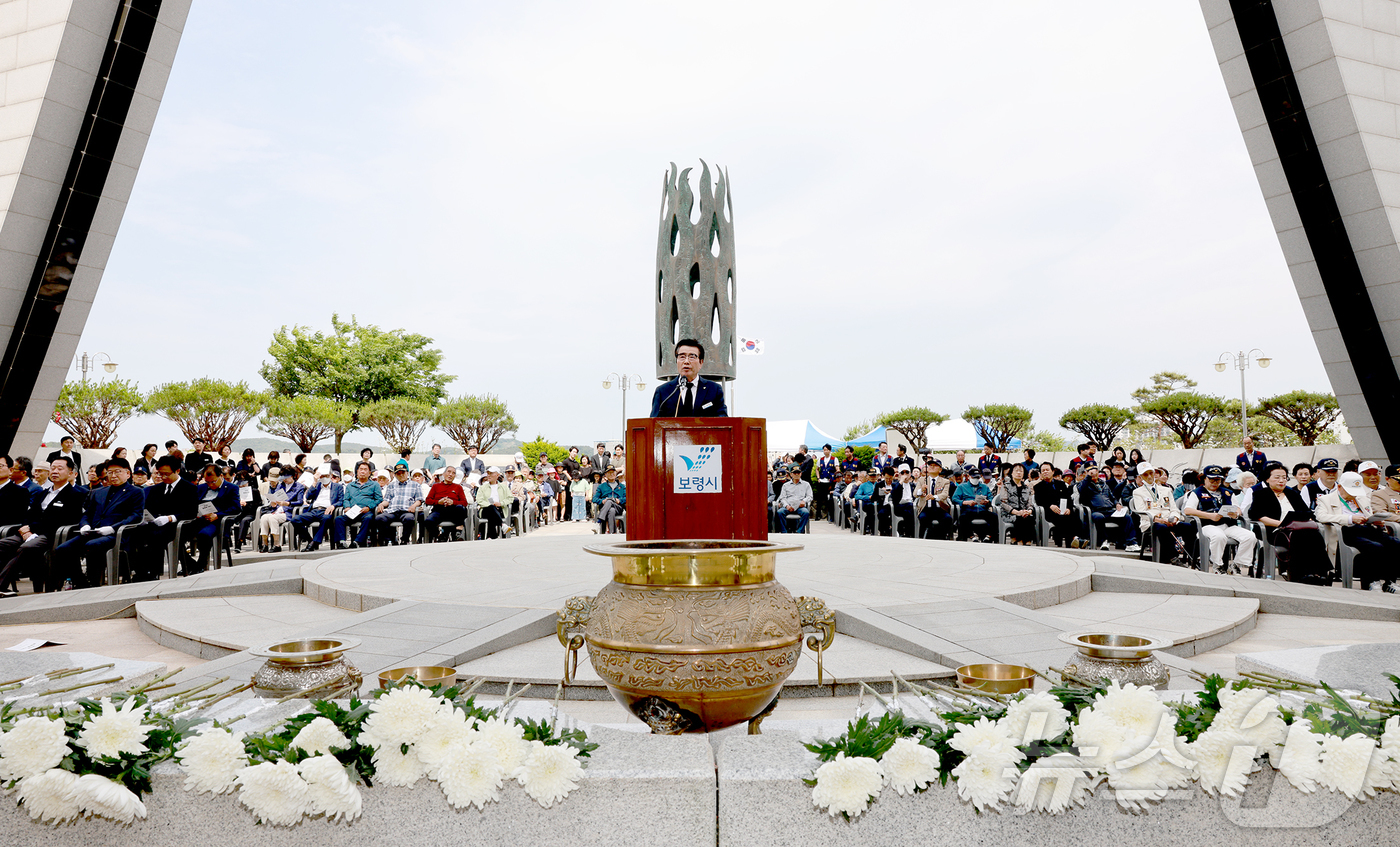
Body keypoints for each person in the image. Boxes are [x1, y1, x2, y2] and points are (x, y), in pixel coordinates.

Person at [53, 458, 144, 589]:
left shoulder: (135, 492)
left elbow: (136, 516)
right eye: (110, 472)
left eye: (117, 472)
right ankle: (82, 582)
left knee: (92, 545)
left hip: (116, 535)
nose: (113, 476)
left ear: (128, 474)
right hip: (93, 532)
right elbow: (87, 513)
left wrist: (112, 528)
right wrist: (84, 525)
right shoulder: (98, 492)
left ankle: (94, 582)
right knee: (63, 549)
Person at [0, 458, 86, 594]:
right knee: (3, 544)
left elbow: (64, 520)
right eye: (53, 468)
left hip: (50, 535)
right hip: (29, 533)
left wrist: (32, 531)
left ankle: (1, 585)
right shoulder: (43, 492)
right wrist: (25, 528)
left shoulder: (76, 495)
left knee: (27, 548)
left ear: (70, 473)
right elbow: (29, 514)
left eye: (60, 468)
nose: (55, 471)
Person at [1316, 471, 1398, 592]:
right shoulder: (1325, 500)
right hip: (1347, 531)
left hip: (1367, 528)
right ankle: (1372, 581)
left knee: (1395, 543)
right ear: (1340, 487)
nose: (1353, 495)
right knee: (1375, 547)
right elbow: (1321, 516)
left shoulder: (1361, 499)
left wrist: (1375, 521)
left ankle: (1390, 581)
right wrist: (1350, 519)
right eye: (1350, 492)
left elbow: (1369, 514)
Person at [1249, 462, 1330, 584]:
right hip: (1274, 531)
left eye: (1284, 477)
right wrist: (1281, 524)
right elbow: (1257, 516)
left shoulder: (1292, 493)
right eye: (1277, 477)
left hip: (1295, 529)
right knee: (1299, 536)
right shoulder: (1261, 494)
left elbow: (1306, 512)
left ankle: (1319, 572)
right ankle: (1299, 574)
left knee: (1315, 534)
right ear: (1267, 479)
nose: (1281, 480)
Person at [1182, 465, 1257, 574]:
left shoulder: (1228, 492)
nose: (1215, 482)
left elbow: (1238, 509)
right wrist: (1209, 515)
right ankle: (1218, 565)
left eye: (1218, 480)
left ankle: (1236, 564)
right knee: (1219, 536)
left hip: (1227, 525)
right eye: (1211, 479)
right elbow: (1188, 510)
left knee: (1250, 536)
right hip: (1206, 526)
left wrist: (1235, 514)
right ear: (1205, 479)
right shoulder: (1197, 492)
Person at [1130, 464, 1197, 564]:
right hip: (1152, 523)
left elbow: (1174, 508)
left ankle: (1193, 558)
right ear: (1140, 477)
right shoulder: (1137, 492)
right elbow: (1142, 512)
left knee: (1189, 527)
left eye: (1151, 473)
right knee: (1162, 528)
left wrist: (1174, 518)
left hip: (1169, 520)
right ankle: (1173, 556)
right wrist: (1159, 520)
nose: (1149, 477)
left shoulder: (1167, 490)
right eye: (1145, 474)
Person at [649, 338, 729, 416]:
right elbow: (654, 424)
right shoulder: (663, 392)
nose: (686, 362)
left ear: (701, 362)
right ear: (676, 361)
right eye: (682, 357)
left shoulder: (714, 390)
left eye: (692, 357)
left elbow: (723, 422)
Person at [333, 461, 383, 548]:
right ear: (357, 472)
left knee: (368, 518)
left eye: (365, 470)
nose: (362, 472)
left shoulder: (374, 485)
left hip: (366, 511)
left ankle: (357, 542)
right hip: (353, 511)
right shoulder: (350, 485)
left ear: (369, 473)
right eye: (361, 469)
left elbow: (378, 499)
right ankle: (341, 542)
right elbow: (346, 499)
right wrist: (347, 507)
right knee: (338, 519)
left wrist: (368, 507)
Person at [1035, 463, 1084, 547]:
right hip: (1048, 512)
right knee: (1062, 519)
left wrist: (1069, 508)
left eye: (1047, 470)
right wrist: (1050, 506)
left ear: (1053, 471)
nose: (1045, 472)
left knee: (1074, 517)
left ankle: (1075, 539)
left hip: (1063, 509)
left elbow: (1068, 498)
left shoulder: (1061, 484)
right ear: (1040, 473)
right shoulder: (1038, 487)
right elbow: (1039, 501)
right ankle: (1074, 540)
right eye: (1043, 470)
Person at [293, 471, 343, 551]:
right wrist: (315, 481)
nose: (324, 478)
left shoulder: (337, 486)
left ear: (331, 476)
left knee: (326, 519)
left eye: (326, 475)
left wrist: (333, 505)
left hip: (326, 510)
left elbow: (341, 500)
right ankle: (310, 540)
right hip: (314, 510)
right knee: (295, 520)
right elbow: (308, 497)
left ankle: (314, 543)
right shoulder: (317, 485)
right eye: (322, 476)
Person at [258, 469, 304, 553]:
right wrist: (273, 502)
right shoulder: (280, 486)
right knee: (264, 517)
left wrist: (288, 503)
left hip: (289, 511)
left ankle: (277, 544)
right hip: (277, 510)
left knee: (273, 519)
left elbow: (300, 502)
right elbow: (276, 497)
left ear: (292, 476)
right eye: (283, 477)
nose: (284, 479)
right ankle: (265, 544)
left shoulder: (298, 486)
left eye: (286, 477)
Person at [375, 465, 422, 545]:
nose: (401, 475)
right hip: (392, 510)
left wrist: (414, 506)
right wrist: (382, 504)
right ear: (395, 475)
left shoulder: (415, 485)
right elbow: (387, 500)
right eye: (398, 473)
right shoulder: (391, 485)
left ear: (407, 473)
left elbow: (419, 500)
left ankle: (404, 540)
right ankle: (390, 539)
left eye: (403, 473)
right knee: (379, 518)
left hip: (406, 510)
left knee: (409, 518)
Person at [425, 465, 469, 538]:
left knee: (460, 508)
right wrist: (439, 502)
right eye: (449, 472)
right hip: (439, 510)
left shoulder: (458, 487)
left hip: (453, 511)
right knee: (428, 521)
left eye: (453, 473)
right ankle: (439, 536)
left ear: (455, 476)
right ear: (444, 474)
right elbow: (428, 500)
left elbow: (464, 502)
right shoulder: (436, 486)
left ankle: (457, 532)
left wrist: (453, 502)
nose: (450, 474)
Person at [998, 463, 1036, 545]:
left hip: (1023, 512)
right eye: (1016, 471)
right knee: (1019, 518)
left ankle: (1026, 540)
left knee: (1030, 518)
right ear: (1011, 473)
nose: (1019, 473)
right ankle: (1019, 540)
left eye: (1021, 471)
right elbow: (1003, 503)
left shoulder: (1027, 488)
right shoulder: (1005, 486)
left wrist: (1029, 511)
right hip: (1009, 513)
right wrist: (1017, 512)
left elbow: (1030, 503)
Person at [954, 467, 994, 541]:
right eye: (973, 477)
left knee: (994, 517)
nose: (975, 479)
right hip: (969, 510)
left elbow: (991, 498)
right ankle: (971, 536)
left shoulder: (984, 487)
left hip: (982, 510)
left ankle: (989, 537)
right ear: (968, 476)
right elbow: (955, 499)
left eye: (977, 477)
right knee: (963, 518)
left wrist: (987, 501)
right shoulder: (962, 487)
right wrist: (965, 502)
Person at [476, 467, 512, 539]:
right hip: (486, 509)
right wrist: (489, 505)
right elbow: (479, 500)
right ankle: (502, 525)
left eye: (491, 473)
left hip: (499, 509)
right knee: (491, 508)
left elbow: (510, 498)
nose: (489, 475)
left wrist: (501, 503)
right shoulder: (482, 487)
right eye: (488, 473)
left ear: (497, 475)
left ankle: (491, 536)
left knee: (492, 514)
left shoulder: (504, 487)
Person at [775, 465, 813, 533]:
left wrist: (804, 501)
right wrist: (786, 505)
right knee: (780, 512)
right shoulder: (786, 485)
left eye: (798, 473)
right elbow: (782, 497)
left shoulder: (806, 484)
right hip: (788, 506)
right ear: (791, 474)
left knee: (806, 513)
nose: (796, 474)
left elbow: (810, 496)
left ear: (801, 474)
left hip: (800, 506)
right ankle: (784, 531)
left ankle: (799, 531)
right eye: (794, 473)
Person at [592, 466, 626, 533]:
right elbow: (594, 499)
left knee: (610, 501)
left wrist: (619, 500)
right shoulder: (601, 486)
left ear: (616, 474)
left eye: (613, 472)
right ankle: (612, 533)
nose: (611, 474)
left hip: (618, 507)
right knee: (611, 510)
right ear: (606, 475)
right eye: (609, 473)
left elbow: (627, 498)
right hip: (606, 508)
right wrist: (602, 501)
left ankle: (598, 522)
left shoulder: (621, 486)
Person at [813, 445, 839, 522]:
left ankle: (831, 516)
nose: (825, 451)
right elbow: (817, 469)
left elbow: (837, 469)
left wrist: (835, 478)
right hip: (822, 481)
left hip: (830, 481)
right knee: (819, 499)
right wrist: (818, 478)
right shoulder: (820, 459)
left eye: (827, 450)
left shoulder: (834, 459)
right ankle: (818, 515)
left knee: (830, 499)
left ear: (830, 450)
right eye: (824, 450)